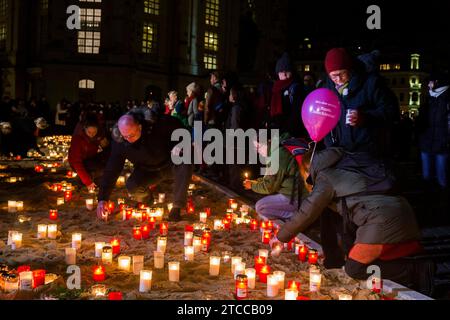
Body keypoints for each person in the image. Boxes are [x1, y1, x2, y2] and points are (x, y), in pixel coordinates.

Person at [270, 147, 435, 296]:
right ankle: (407, 270)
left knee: (355, 268)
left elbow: (308, 210)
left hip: (381, 219)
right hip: (400, 210)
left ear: (308, 169)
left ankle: (416, 270)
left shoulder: (325, 177)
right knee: (360, 260)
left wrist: (280, 237)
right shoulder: (347, 165)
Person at [96, 110, 193, 222]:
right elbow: (112, 169)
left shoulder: (159, 125)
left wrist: (180, 145)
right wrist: (102, 198)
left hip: (170, 164)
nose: (128, 139)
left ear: (140, 127)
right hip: (148, 171)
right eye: (125, 136)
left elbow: (183, 131)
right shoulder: (120, 142)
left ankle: (177, 207)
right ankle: (147, 200)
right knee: (132, 185)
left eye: (131, 135)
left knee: (186, 161)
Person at [323, 48, 399, 161]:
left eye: (342, 73)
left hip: (368, 152)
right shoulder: (328, 88)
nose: (338, 79)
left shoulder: (371, 83)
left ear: (349, 68)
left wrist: (365, 117)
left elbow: (391, 111)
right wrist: (330, 144)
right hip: (340, 151)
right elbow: (326, 118)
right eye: (333, 76)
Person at [243, 135, 309, 222]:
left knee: (260, 207)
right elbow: (270, 178)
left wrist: (251, 185)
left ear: (268, 142)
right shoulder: (279, 148)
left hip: (297, 198)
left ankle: (294, 216)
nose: (258, 151)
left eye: (259, 147)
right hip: (298, 193)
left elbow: (269, 187)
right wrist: (255, 182)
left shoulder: (277, 157)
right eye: (256, 148)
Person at [417, 71, 450, 190]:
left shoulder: (446, 98)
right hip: (426, 142)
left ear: (437, 82)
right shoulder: (429, 98)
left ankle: (442, 203)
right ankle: (428, 201)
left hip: (442, 144)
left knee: (442, 178)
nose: (428, 85)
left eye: (430, 82)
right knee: (426, 177)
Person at [68, 114, 110, 192]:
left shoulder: (98, 136)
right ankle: (82, 180)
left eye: (94, 132)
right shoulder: (78, 139)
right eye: (89, 132)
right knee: (97, 167)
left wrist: (105, 144)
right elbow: (76, 162)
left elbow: (107, 148)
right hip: (78, 163)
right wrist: (88, 182)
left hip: (90, 159)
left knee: (108, 157)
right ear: (84, 129)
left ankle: (97, 178)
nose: (92, 134)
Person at [270, 52, 306, 138]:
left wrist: (288, 132)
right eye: (281, 71)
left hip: (289, 134)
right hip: (276, 131)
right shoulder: (275, 88)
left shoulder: (296, 88)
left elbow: (297, 114)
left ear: (292, 72)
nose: (284, 74)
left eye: (287, 71)